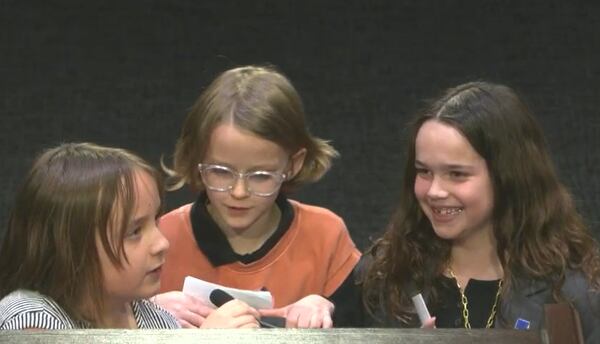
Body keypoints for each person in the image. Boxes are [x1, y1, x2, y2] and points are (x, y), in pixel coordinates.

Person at [360, 81, 600, 342]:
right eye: (424, 171)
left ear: (508, 176)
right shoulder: (385, 272)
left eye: (457, 174)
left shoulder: (574, 291)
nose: (434, 191)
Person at [155, 65, 361, 328]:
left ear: (293, 164)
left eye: (261, 175)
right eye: (221, 172)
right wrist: (146, 313)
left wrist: (326, 317)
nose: (239, 192)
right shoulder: (161, 238)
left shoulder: (326, 236)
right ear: (197, 159)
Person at [0, 142, 260, 329]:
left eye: (155, 222)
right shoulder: (31, 320)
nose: (162, 243)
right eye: (134, 232)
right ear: (71, 248)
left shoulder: (158, 322)